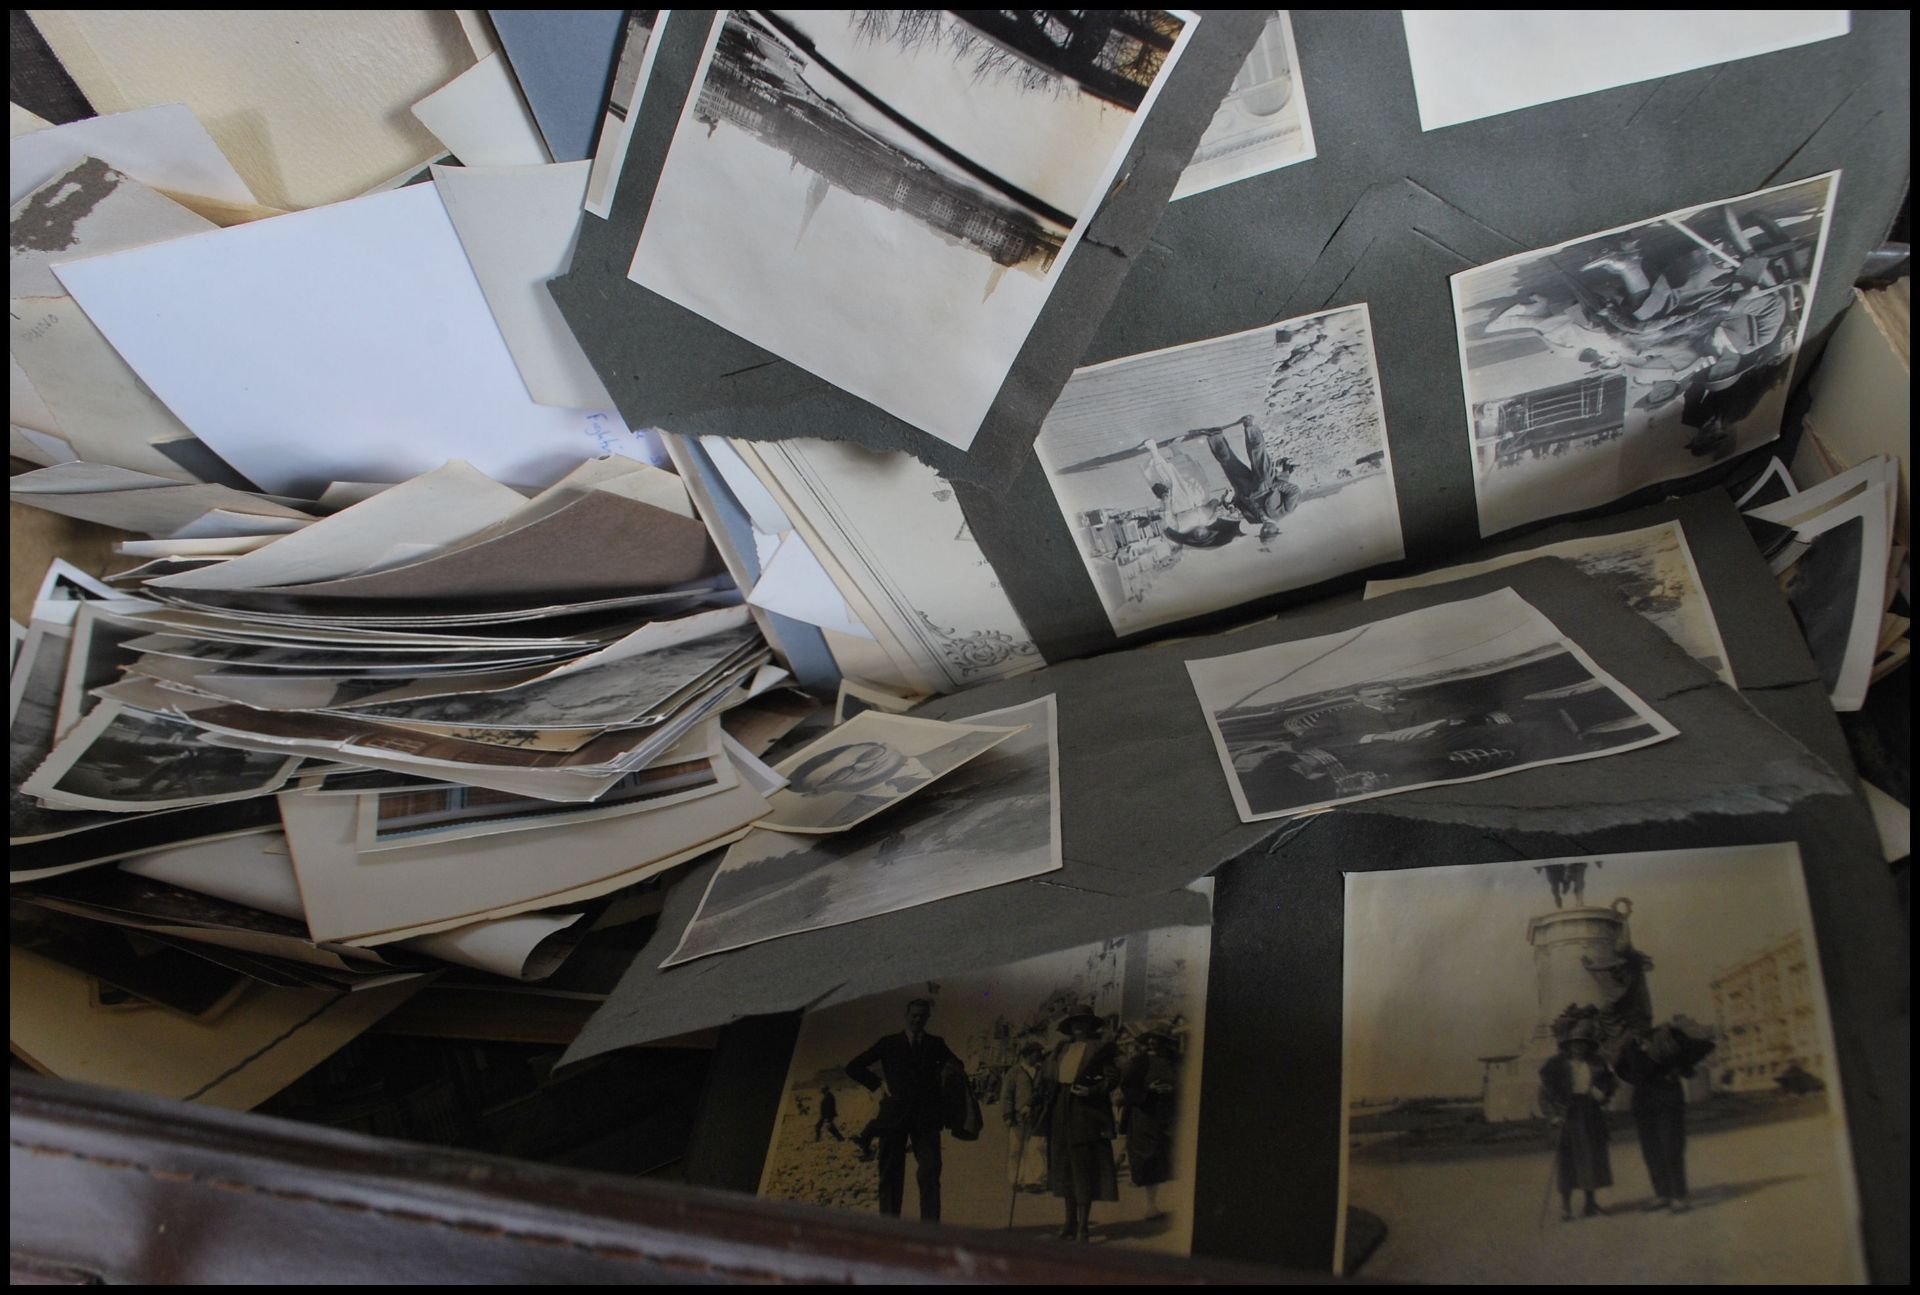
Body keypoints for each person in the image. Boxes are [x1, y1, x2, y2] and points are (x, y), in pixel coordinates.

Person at [844, 998, 963, 1222]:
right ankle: (890, 1229)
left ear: (928, 1018)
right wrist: (877, 1086)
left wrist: (947, 1072)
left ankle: (930, 1229)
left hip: (927, 1119)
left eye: (922, 1016)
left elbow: (957, 1065)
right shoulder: (888, 1043)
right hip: (893, 1117)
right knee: (890, 1175)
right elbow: (853, 1067)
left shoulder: (937, 1043)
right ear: (906, 1016)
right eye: (914, 1015)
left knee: (930, 1172)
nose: (917, 1019)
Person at [1612, 1022, 1716, 1213]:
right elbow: (1619, 1068)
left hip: (1668, 1100)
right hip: (1643, 1104)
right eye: (1631, 1022)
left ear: (1648, 1019)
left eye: (1640, 1019)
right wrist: (1637, 1079)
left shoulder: (1668, 1035)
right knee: (1651, 1151)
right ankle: (1662, 1195)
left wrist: (1680, 1068)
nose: (1636, 1025)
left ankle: (1678, 1197)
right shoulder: (1629, 1046)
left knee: (1672, 1147)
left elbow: (1704, 1046)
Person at [1039, 1004, 1121, 1242]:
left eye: (1083, 1022)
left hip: (1085, 1111)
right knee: (1064, 1168)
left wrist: (1092, 1090)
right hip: (1060, 1110)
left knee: (1083, 1168)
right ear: (1069, 1026)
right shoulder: (1061, 1049)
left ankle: (1083, 1227)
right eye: (1075, 1022)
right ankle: (1069, 1223)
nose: (1078, 1026)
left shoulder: (1100, 1047)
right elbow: (1048, 1077)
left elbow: (1113, 1078)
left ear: (1090, 1025)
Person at [1538, 1018, 1618, 1221]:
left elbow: (1609, 1084)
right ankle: (1566, 1208)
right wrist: (1553, 1116)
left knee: (1591, 1159)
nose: (1578, 1047)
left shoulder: (1596, 1063)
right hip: (1567, 1116)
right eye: (1575, 1043)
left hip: (1590, 1115)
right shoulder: (1555, 1066)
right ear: (1568, 1045)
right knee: (1567, 1163)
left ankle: (1590, 1204)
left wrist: (1602, 1093)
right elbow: (1544, 1095)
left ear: (1587, 1045)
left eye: (1582, 1043)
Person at [1200, 415, 1299, 541]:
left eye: (1264, 532)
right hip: (1265, 482)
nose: (1266, 529)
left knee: (1227, 462)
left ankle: (1214, 435)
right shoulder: (1285, 511)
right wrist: (1275, 485)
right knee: (1257, 452)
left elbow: (1239, 504)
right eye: (1270, 532)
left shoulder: (1252, 520)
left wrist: (1230, 502)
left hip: (1244, 488)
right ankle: (1249, 425)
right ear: (1277, 530)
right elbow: (1294, 491)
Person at [1119, 1030, 1181, 1218]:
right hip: (1146, 1115)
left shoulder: (1175, 1061)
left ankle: (1156, 1205)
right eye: (1151, 1039)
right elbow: (1127, 1087)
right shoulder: (1139, 1062)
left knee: (1164, 1159)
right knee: (1147, 1158)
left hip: (1168, 1115)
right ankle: (1150, 1206)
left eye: (1158, 1039)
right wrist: (1148, 1090)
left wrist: (1172, 1089)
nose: (1154, 1043)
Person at [1001, 1041, 1046, 1192]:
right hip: (1017, 1118)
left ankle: (1033, 1180)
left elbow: (1043, 1092)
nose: (1040, 1055)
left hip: (1037, 1117)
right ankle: (1016, 1179)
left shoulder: (1041, 1071)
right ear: (1027, 1055)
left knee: (1036, 1148)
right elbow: (1007, 1095)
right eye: (1036, 1052)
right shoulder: (1014, 1072)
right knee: (1016, 1150)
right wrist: (1008, 1115)